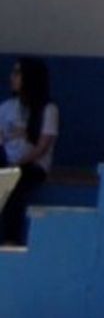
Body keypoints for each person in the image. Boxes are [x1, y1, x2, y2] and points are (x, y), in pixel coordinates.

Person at [0, 57, 57, 246]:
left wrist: (16, 163)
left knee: (12, 187)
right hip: (7, 160)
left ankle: (11, 240)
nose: (12, 77)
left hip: (32, 166)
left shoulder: (48, 109)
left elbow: (42, 147)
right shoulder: (7, 107)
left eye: (18, 73)